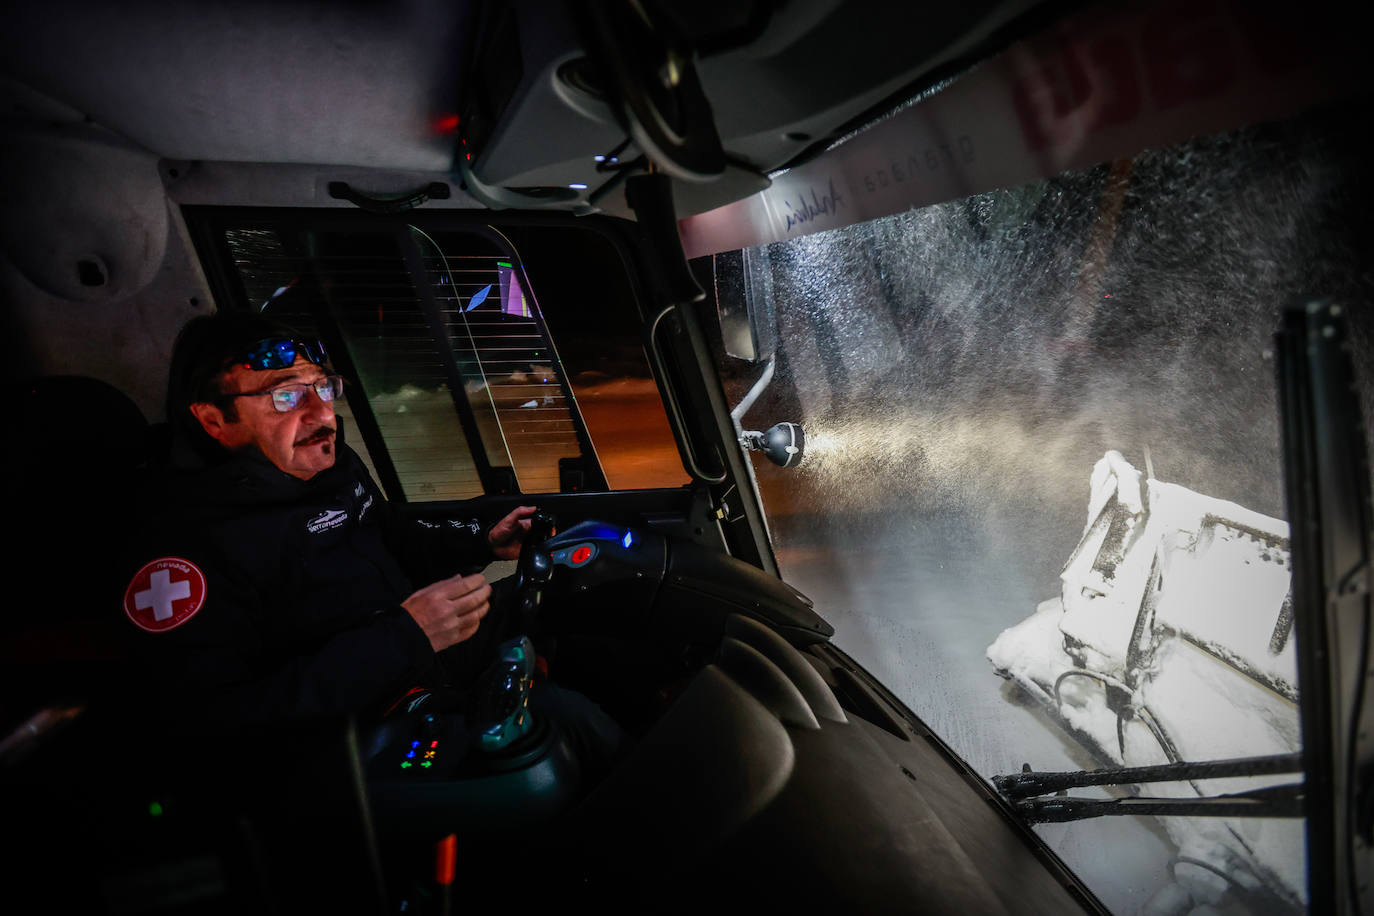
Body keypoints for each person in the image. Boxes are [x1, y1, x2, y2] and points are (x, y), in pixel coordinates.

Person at [117, 310, 591, 741]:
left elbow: (391, 540)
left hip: (428, 658)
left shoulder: (332, 467)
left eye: (323, 388)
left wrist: (481, 540)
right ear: (214, 420)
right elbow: (214, 717)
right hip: (358, 733)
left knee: (601, 588)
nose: (323, 414)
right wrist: (404, 638)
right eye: (285, 396)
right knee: (571, 724)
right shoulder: (183, 551)